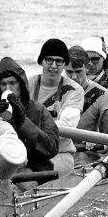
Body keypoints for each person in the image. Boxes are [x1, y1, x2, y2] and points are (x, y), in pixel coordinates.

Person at [0, 56, 59, 173]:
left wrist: (23, 122)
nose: (8, 89)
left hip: (32, 168)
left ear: (21, 84)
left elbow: (51, 148)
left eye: (12, 83)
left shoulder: (38, 109)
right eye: (3, 84)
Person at [27, 38, 84, 175]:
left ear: (64, 65)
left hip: (60, 154)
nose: (53, 66)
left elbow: (66, 126)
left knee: (29, 178)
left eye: (59, 61)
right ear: (41, 61)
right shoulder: (27, 84)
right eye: (49, 60)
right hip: (29, 153)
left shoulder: (74, 90)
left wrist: (28, 130)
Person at [63, 46, 108, 148]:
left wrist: (96, 142)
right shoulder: (53, 90)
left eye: (78, 71)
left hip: (84, 152)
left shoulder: (103, 96)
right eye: (69, 72)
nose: (74, 77)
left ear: (87, 67)